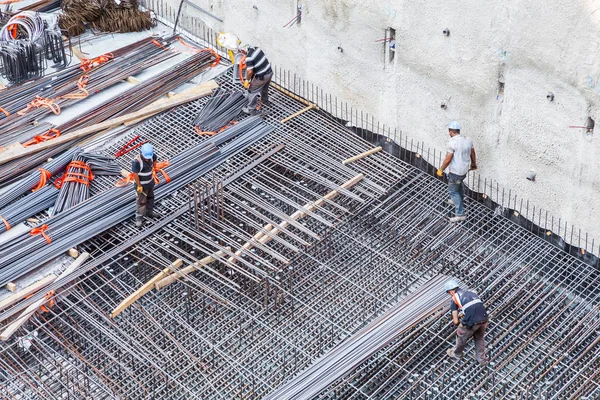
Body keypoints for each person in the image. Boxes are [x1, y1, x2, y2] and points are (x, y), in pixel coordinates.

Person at [436, 121, 477, 222]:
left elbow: (448, 159)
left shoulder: (452, 142)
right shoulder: (468, 140)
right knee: (458, 186)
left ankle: (460, 214)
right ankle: (457, 201)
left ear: (451, 132)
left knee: (453, 191)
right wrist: (473, 164)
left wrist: (441, 169)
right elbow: (472, 152)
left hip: (455, 172)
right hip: (463, 171)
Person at [444, 279, 489, 366]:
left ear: (451, 291)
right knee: (479, 338)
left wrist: (460, 325)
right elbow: (474, 307)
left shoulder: (454, 298)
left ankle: (457, 353)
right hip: (484, 318)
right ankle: (481, 359)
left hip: (472, 321)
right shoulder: (471, 293)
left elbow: (455, 320)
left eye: (449, 293)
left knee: (461, 335)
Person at [132, 143, 158, 227]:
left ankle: (149, 212)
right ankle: (139, 218)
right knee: (141, 202)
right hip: (142, 185)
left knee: (150, 198)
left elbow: (154, 161)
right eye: (146, 157)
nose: (147, 159)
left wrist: (154, 168)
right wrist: (139, 185)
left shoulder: (152, 156)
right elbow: (135, 175)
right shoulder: (137, 162)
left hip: (150, 182)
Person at [242, 45, 273, 114]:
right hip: (269, 72)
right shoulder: (257, 49)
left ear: (243, 51)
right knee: (264, 88)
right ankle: (265, 101)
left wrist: (247, 80)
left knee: (252, 91)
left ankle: (251, 110)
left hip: (262, 76)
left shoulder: (249, 58)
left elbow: (250, 71)